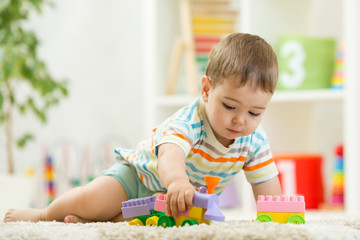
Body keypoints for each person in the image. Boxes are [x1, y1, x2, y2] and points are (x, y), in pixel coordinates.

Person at [4, 33, 282, 223]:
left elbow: (266, 184)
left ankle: (90, 223)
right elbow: (170, 153)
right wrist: (177, 182)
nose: (240, 120)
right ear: (207, 90)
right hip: (138, 178)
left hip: (176, 204)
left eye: (255, 112)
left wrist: (276, 219)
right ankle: (43, 215)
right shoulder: (191, 121)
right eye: (230, 106)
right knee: (92, 200)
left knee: (142, 223)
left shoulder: (254, 140)